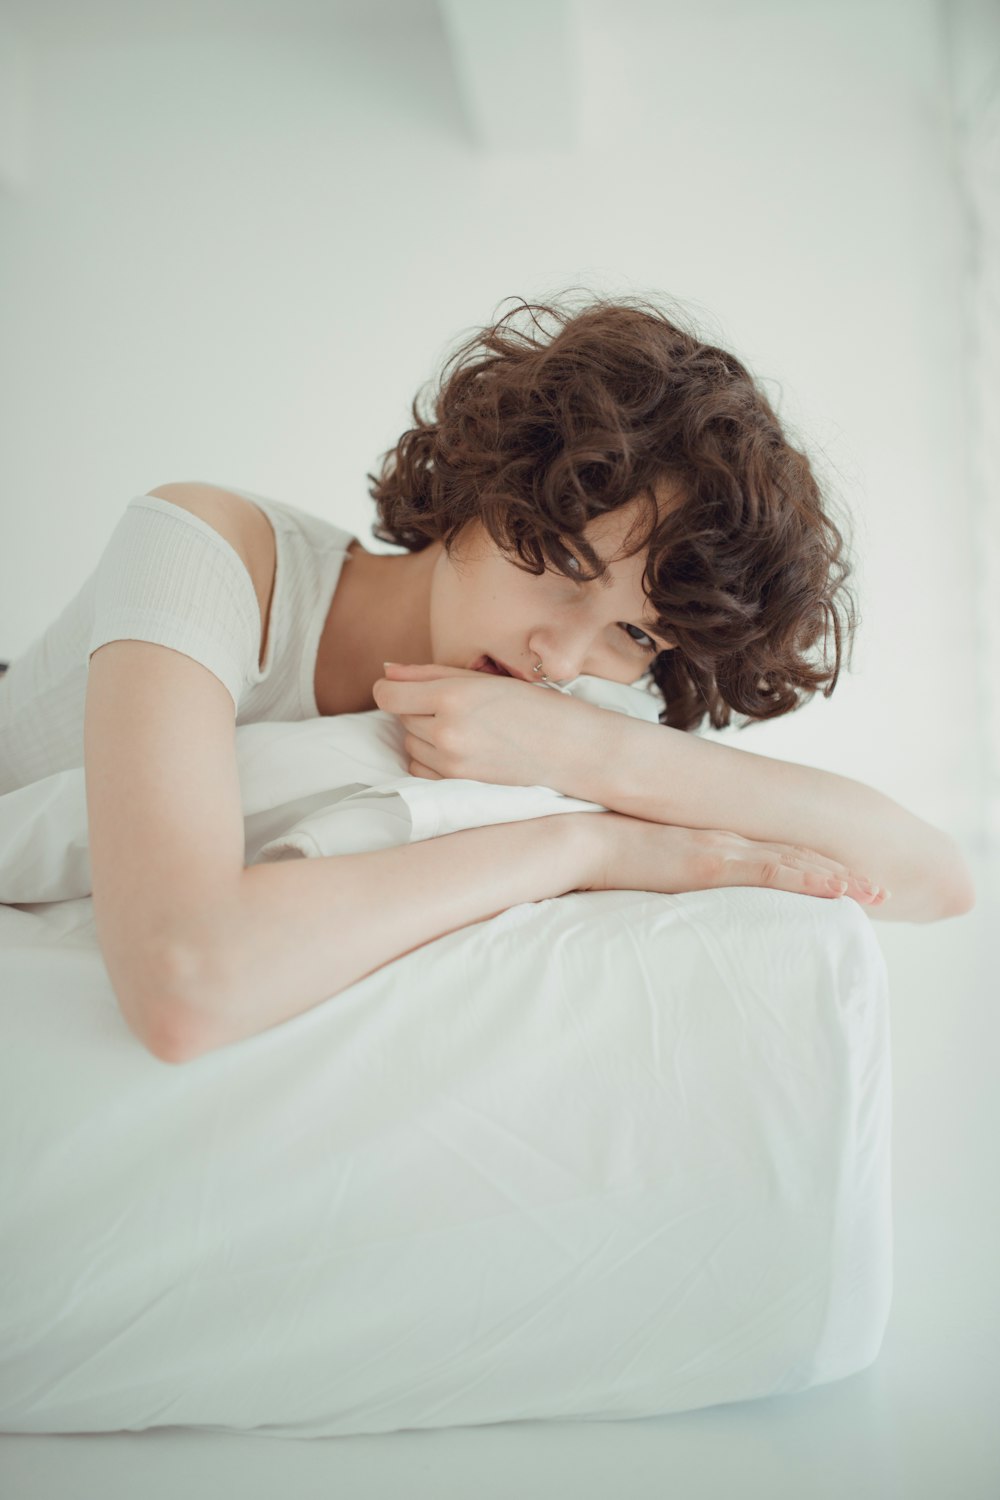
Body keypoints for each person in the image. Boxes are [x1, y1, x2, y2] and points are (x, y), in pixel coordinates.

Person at [0, 294, 975, 1063]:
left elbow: (930, 878)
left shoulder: (563, 699)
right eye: (565, 568)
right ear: (495, 483)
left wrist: (588, 745)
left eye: (634, 633)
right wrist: (575, 847)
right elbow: (183, 985)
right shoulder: (210, 548)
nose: (558, 657)